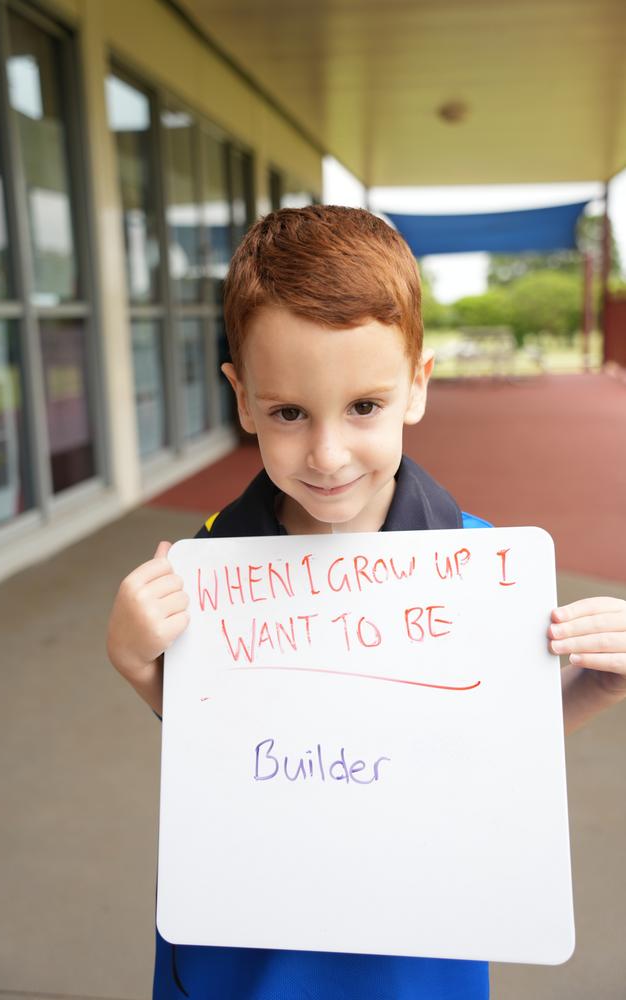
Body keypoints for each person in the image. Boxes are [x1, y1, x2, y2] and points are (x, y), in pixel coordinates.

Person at [106, 205, 626, 1000]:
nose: (326, 453)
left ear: (417, 386)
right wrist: (138, 660)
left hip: (414, 946)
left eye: (363, 407)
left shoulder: (479, 561)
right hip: (247, 947)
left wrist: (592, 688)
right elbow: (214, 738)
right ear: (242, 399)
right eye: (288, 413)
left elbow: (479, 742)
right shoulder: (210, 560)